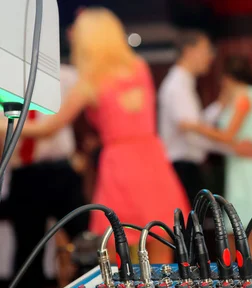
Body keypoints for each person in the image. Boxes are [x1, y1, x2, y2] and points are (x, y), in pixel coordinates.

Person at [20, 8, 189, 264]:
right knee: (160, 239)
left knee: (115, 243)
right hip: (152, 158)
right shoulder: (139, 68)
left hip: (119, 164)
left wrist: (3, 125)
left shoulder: (90, 82)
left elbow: (49, 127)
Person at [180, 55, 252, 260]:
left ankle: (251, 286)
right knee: (238, 236)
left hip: (247, 170)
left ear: (229, 78)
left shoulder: (244, 96)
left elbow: (229, 135)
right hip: (248, 164)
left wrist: (195, 127)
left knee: (244, 237)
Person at [3, 64, 88, 288]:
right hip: (24, 173)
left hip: (62, 169)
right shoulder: (6, 82)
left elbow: (80, 116)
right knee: (27, 250)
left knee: (84, 240)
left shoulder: (66, 75)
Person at [158, 30, 252, 205]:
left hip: (186, 166)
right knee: (188, 226)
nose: (210, 57)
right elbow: (193, 134)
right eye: (206, 50)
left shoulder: (183, 83)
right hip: (182, 167)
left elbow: (196, 124)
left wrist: (220, 105)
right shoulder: (177, 85)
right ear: (189, 51)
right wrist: (233, 148)